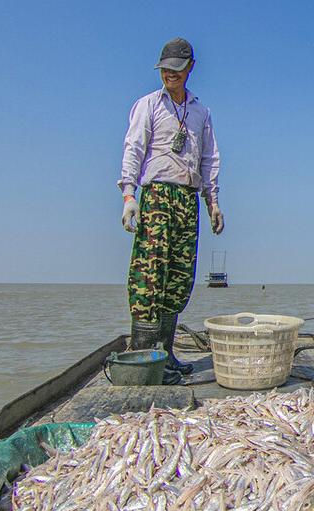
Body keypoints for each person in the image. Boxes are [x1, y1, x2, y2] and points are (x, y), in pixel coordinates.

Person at [119, 37, 224, 384]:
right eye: (165, 69)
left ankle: (165, 354)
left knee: (179, 280)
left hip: (187, 200)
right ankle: (146, 357)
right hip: (158, 198)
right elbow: (134, 148)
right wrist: (129, 195)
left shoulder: (200, 112)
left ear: (190, 68)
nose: (170, 75)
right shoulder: (148, 105)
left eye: (177, 69)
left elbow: (209, 159)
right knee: (150, 279)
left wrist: (213, 202)